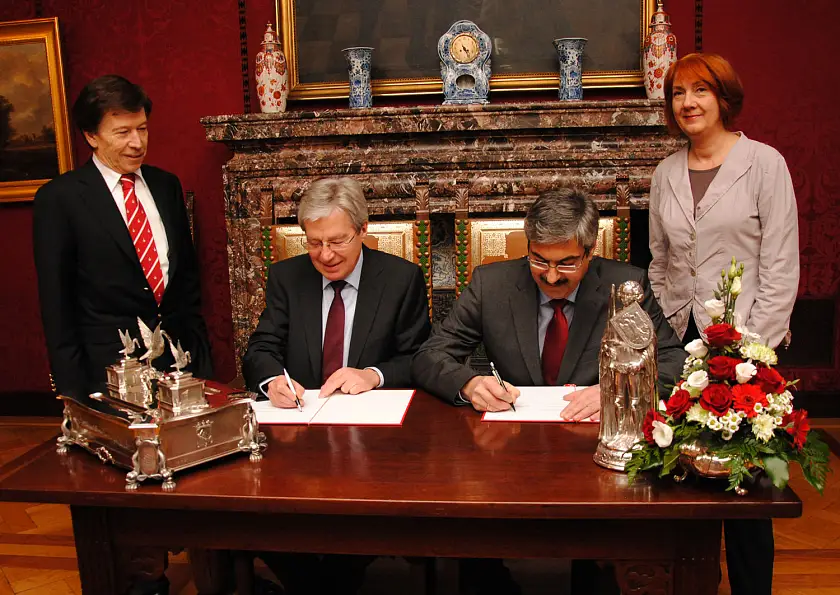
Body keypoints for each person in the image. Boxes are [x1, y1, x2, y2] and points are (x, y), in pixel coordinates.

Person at [411, 187, 685, 595]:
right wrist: (468, 383)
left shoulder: (625, 286)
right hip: (509, 451)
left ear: (589, 252)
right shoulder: (492, 284)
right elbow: (430, 355)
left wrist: (612, 389)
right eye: (539, 260)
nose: (552, 276)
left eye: (566, 264)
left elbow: (674, 362)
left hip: (591, 450)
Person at [32, 75, 213, 594]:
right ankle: (143, 579)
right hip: (108, 369)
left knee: (194, 473)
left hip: (179, 362)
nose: (137, 142)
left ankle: (210, 572)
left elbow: (186, 279)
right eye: (122, 132)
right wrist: (72, 394)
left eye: (143, 129)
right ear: (91, 135)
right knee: (126, 489)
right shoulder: (60, 199)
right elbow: (56, 305)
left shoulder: (166, 184)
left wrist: (198, 350)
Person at [648, 53, 798, 595]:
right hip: (679, 341)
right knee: (679, 470)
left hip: (747, 345)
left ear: (724, 98)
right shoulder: (665, 171)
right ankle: (687, 581)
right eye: (678, 92)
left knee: (747, 486)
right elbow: (659, 261)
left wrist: (751, 352)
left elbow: (781, 265)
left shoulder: (764, 164)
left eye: (700, 91)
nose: (687, 102)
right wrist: (665, 332)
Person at [242, 176, 431, 594]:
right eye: (313, 243)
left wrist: (372, 375)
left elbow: (420, 358)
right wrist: (273, 380)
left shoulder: (401, 279)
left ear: (363, 230)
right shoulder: (287, 278)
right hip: (299, 436)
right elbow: (260, 349)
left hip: (374, 441)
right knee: (252, 514)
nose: (325, 255)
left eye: (337, 241)